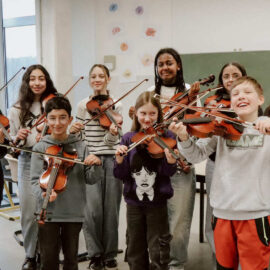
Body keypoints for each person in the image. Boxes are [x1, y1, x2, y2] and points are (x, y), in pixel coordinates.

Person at [170, 76, 270, 270]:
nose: (241, 96)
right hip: (222, 213)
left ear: (261, 99)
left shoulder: (266, 127)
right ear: (230, 102)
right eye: (235, 93)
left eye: (247, 92)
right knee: (224, 267)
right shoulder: (220, 129)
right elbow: (195, 155)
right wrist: (183, 137)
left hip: (255, 215)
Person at [30, 96, 102, 270]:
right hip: (47, 212)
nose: (57, 123)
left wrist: (96, 164)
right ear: (46, 120)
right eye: (52, 118)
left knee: (71, 260)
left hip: (73, 212)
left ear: (70, 120)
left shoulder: (80, 146)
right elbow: (33, 181)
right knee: (48, 260)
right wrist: (43, 193)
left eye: (63, 117)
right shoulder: (40, 148)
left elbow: (91, 179)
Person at [114, 91, 177, 270]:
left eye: (152, 113)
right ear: (136, 114)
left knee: (158, 248)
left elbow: (167, 172)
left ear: (158, 114)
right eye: (143, 113)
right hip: (134, 203)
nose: (147, 118)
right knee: (135, 247)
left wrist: (171, 162)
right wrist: (119, 160)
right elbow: (121, 175)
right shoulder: (128, 138)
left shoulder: (168, 137)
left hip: (157, 203)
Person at [70, 64, 123, 270]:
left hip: (111, 158)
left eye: (101, 76)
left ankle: (110, 254)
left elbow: (113, 141)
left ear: (108, 79)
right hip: (90, 158)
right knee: (91, 211)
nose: (97, 79)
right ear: (90, 80)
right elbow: (80, 138)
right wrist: (75, 131)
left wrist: (111, 132)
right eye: (94, 76)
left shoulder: (116, 104)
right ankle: (95, 254)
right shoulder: (83, 105)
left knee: (111, 209)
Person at [150, 47, 198, 270]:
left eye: (169, 63)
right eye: (160, 64)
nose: (165, 67)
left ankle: (177, 264)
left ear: (178, 65)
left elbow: (198, 127)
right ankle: (159, 263)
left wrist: (188, 156)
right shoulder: (151, 94)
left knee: (179, 221)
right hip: (155, 163)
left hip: (181, 161)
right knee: (156, 219)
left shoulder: (191, 92)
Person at [8, 64, 58, 270]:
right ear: (27, 82)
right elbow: (13, 145)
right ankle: (30, 255)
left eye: (41, 78)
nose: (37, 83)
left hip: (51, 161)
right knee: (28, 212)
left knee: (50, 211)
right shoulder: (17, 109)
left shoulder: (55, 103)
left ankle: (49, 253)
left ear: (47, 81)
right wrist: (17, 138)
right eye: (33, 79)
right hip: (28, 161)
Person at [203, 62, 247, 265]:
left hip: (242, 167)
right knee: (215, 215)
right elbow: (204, 138)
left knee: (239, 217)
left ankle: (239, 260)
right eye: (226, 76)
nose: (230, 79)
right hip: (216, 164)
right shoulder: (212, 103)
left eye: (235, 75)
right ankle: (219, 259)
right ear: (220, 81)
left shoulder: (249, 103)